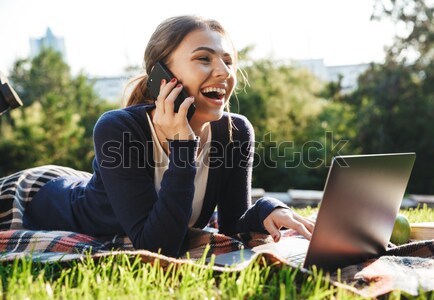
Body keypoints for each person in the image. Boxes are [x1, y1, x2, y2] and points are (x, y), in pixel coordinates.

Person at [0, 15, 314, 257]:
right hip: (35, 198)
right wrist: (183, 146)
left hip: (97, 184)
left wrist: (267, 209)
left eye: (228, 61)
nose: (224, 72)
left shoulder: (235, 131)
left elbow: (233, 226)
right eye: (204, 59)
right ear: (162, 76)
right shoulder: (118, 128)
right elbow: (159, 247)